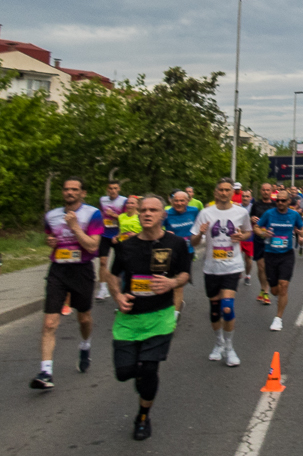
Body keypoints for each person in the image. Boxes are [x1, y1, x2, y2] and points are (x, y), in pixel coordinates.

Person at [106, 195, 191, 440]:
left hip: (160, 318)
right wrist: (118, 296)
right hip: (129, 319)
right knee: (124, 373)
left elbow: (185, 274)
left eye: (153, 210)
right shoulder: (125, 246)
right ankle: (141, 376)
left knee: (149, 370)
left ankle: (143, 417)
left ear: (162, 215)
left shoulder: (176, 244)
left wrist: (172, 282)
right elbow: (112, 275)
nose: (146, 213)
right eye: (143, 210)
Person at [31, 177, 104, 390]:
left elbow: (92, 247)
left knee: (84, 318)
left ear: (83, 193)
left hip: (82, 270)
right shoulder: (51, 215)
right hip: (58, 270)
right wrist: (50, 242)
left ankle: (85, 345)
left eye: (75, 189)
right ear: (62, 192)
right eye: (66, 189)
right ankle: (45, 372)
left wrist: (74, 227)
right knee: (49, 323)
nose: (70, 192)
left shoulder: (92, 214)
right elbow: (50, 238)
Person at [190, 177, 252, 367]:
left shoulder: (241, 212)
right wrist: (200, 233)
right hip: (211, 268)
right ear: (216, 192)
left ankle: (230, 348)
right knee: (215, 311)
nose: (224, 193)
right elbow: (193, 242)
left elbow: (248, 232)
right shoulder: (205, 213)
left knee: (227, 307)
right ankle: (219, 343)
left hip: (232, 266)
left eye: (227, 190)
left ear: (233, 193)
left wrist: (242, 236)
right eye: (221, 190)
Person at [255, 192, 303, 331]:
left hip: (287, 254)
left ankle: (278, 319)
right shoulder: (269, 214)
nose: (280, 202)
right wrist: (262, 233)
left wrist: (302, 233)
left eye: (283, 200)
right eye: (278, 200)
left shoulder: (294, 215)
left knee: (283, 286)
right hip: (270, 254)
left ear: (289, 201)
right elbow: (257, 227)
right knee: (274, 290)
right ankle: (274, 291)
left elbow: (302, 227)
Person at [162, 191, 199, 320]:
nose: (178, 203)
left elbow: (202, 225)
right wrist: (165, 232)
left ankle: (175, 315)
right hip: (168, 252)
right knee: (167, 282)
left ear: (187, 201)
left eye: (182, 201)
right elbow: (158, 229)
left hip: (187, 251)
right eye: (176, 201)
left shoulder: (194, 211)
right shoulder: (166, 214)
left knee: (178, 284)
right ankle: (173, 305)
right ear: (171, 201)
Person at [96, 180, 127, 302]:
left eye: (115, 188)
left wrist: (114, 215)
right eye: (110, 188)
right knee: (103, 262)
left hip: (119, 235)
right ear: (107, 189)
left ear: (118, 189)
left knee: (121, 262)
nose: (112, 191)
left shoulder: (123, 201)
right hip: (105, 234)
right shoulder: (102, 200)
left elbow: (127, 218)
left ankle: (123, 285)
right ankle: (103, 288)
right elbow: (100, 214)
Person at [249, 184, 276, 305]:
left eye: (268, 190)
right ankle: (262, 288)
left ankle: (266, 292)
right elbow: (250, 218)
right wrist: (251, 219)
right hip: (259, 238)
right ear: (261, 191)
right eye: (263, 190)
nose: (265, 192)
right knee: (260, 267)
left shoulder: (275, 205)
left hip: (271, 238)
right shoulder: (256, 205)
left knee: (266, 266)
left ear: (271, 191)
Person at [239, 188, 255, 286]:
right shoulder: (237, 207)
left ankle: (248, 275)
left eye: (247, 196)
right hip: (239, 236)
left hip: (249, 237)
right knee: (236, 256)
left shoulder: (254, 208)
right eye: (243, 196)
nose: (245, 198)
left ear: (251, 198)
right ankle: (238, 272)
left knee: (248, 259)